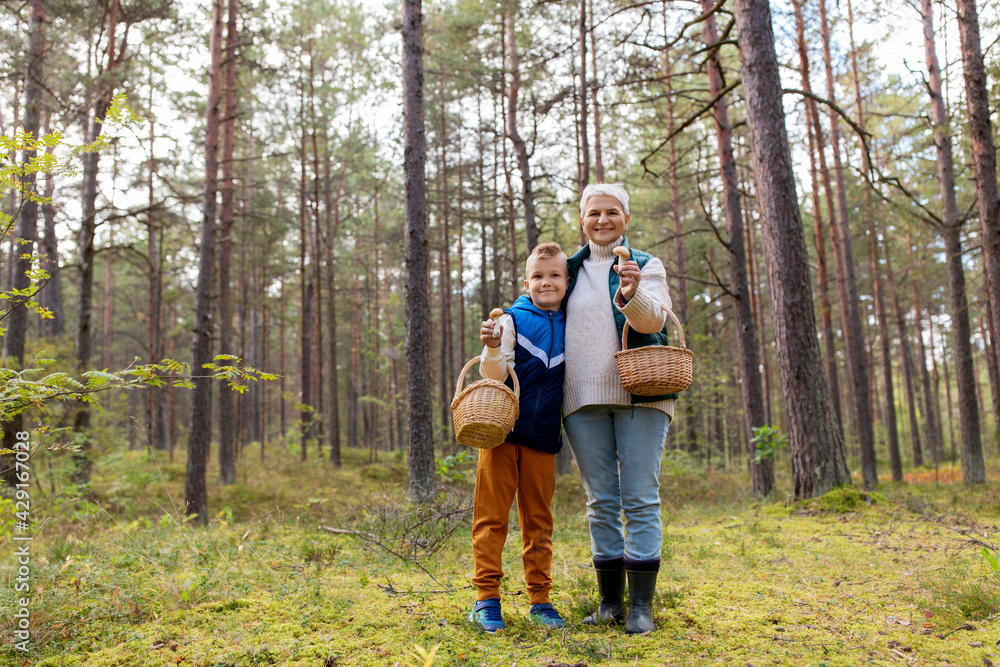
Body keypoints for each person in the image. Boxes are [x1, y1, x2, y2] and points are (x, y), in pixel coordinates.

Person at [562, 183, 677, 635]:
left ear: (626, 220)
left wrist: (631, 292)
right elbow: (537, 303)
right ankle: (610, 602)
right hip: (581, 400)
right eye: (594, 212)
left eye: (613, 212)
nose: (603, 220)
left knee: (640, 499)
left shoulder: (645, 264)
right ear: (582, 218)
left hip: (642, 395)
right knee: (600, 502)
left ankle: (641, 607)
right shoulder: (567, 269)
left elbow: (654, 321)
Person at [467, 242, 568, 633]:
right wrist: (492, 346)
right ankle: (485, 600)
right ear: (527, 283)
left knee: (539, 522)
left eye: (555, 275)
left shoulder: (572, 321)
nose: (547, 282)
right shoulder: (511, 320)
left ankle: (540, 600)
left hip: (543, 438)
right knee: (491, 518)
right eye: (539, 276)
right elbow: (492, 374)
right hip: (501, 433)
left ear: (566, 280)